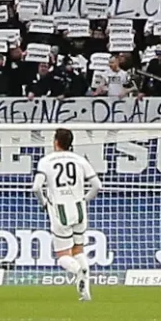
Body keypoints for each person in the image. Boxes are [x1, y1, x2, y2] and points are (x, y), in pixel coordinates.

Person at [32, 128, 102, 301]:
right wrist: (85, 200)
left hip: (59, 210)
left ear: (55, 142)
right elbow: (97, 186)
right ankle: (85, 293)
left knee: (63, 255)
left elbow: (36, 187)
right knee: (78, 249)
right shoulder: (80, 160)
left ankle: (78, 270)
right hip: (79, 209)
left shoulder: (46, 161)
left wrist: (43, 202)